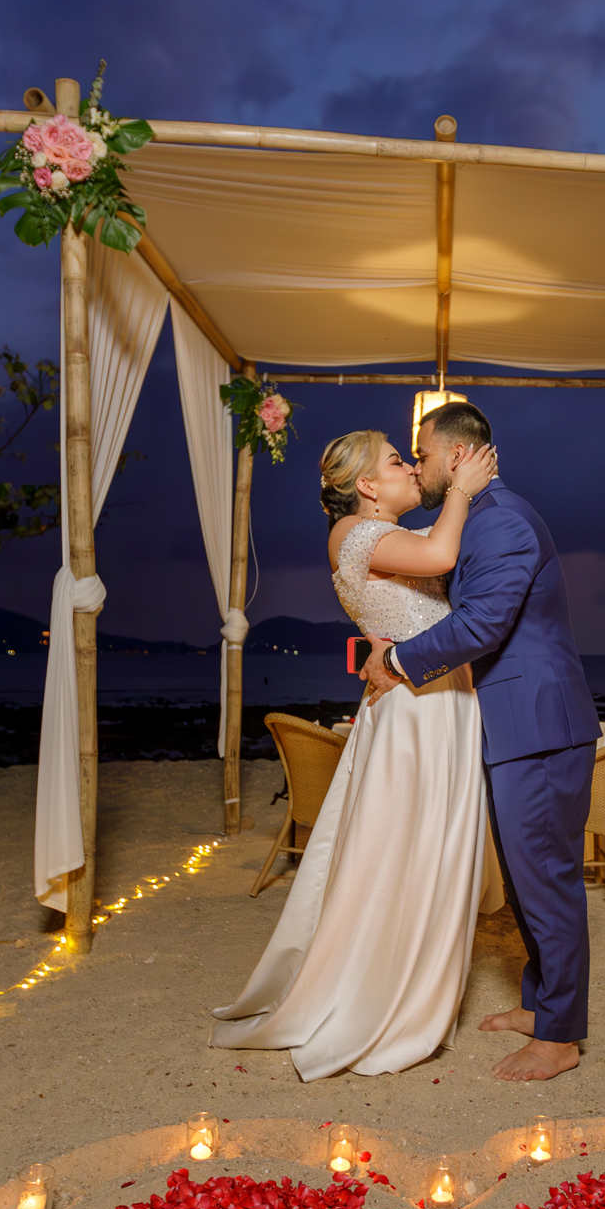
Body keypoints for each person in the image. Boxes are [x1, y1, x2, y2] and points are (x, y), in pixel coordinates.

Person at [211, 428, 499, 1078]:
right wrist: (460, 489)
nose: (406, 469)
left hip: (436, 699)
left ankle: (412, 974)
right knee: (403, 849)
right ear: (367, 486)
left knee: (422, 847)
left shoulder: (374, 539)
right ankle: (385, 993)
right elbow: (443, 555)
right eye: (397, 461)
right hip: (415, 713)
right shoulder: (356, 535)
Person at [360, 401, 597, 1083]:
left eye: (424, 454)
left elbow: (485, 623)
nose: (420, 465)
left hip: (538, 728)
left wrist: (399, 664)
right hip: (514, 727)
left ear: (458, 455)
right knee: (528, 883)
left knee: (546, 879)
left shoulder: (504, 523)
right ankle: (543, 1004)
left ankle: (561, 1038)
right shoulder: (479, 519)